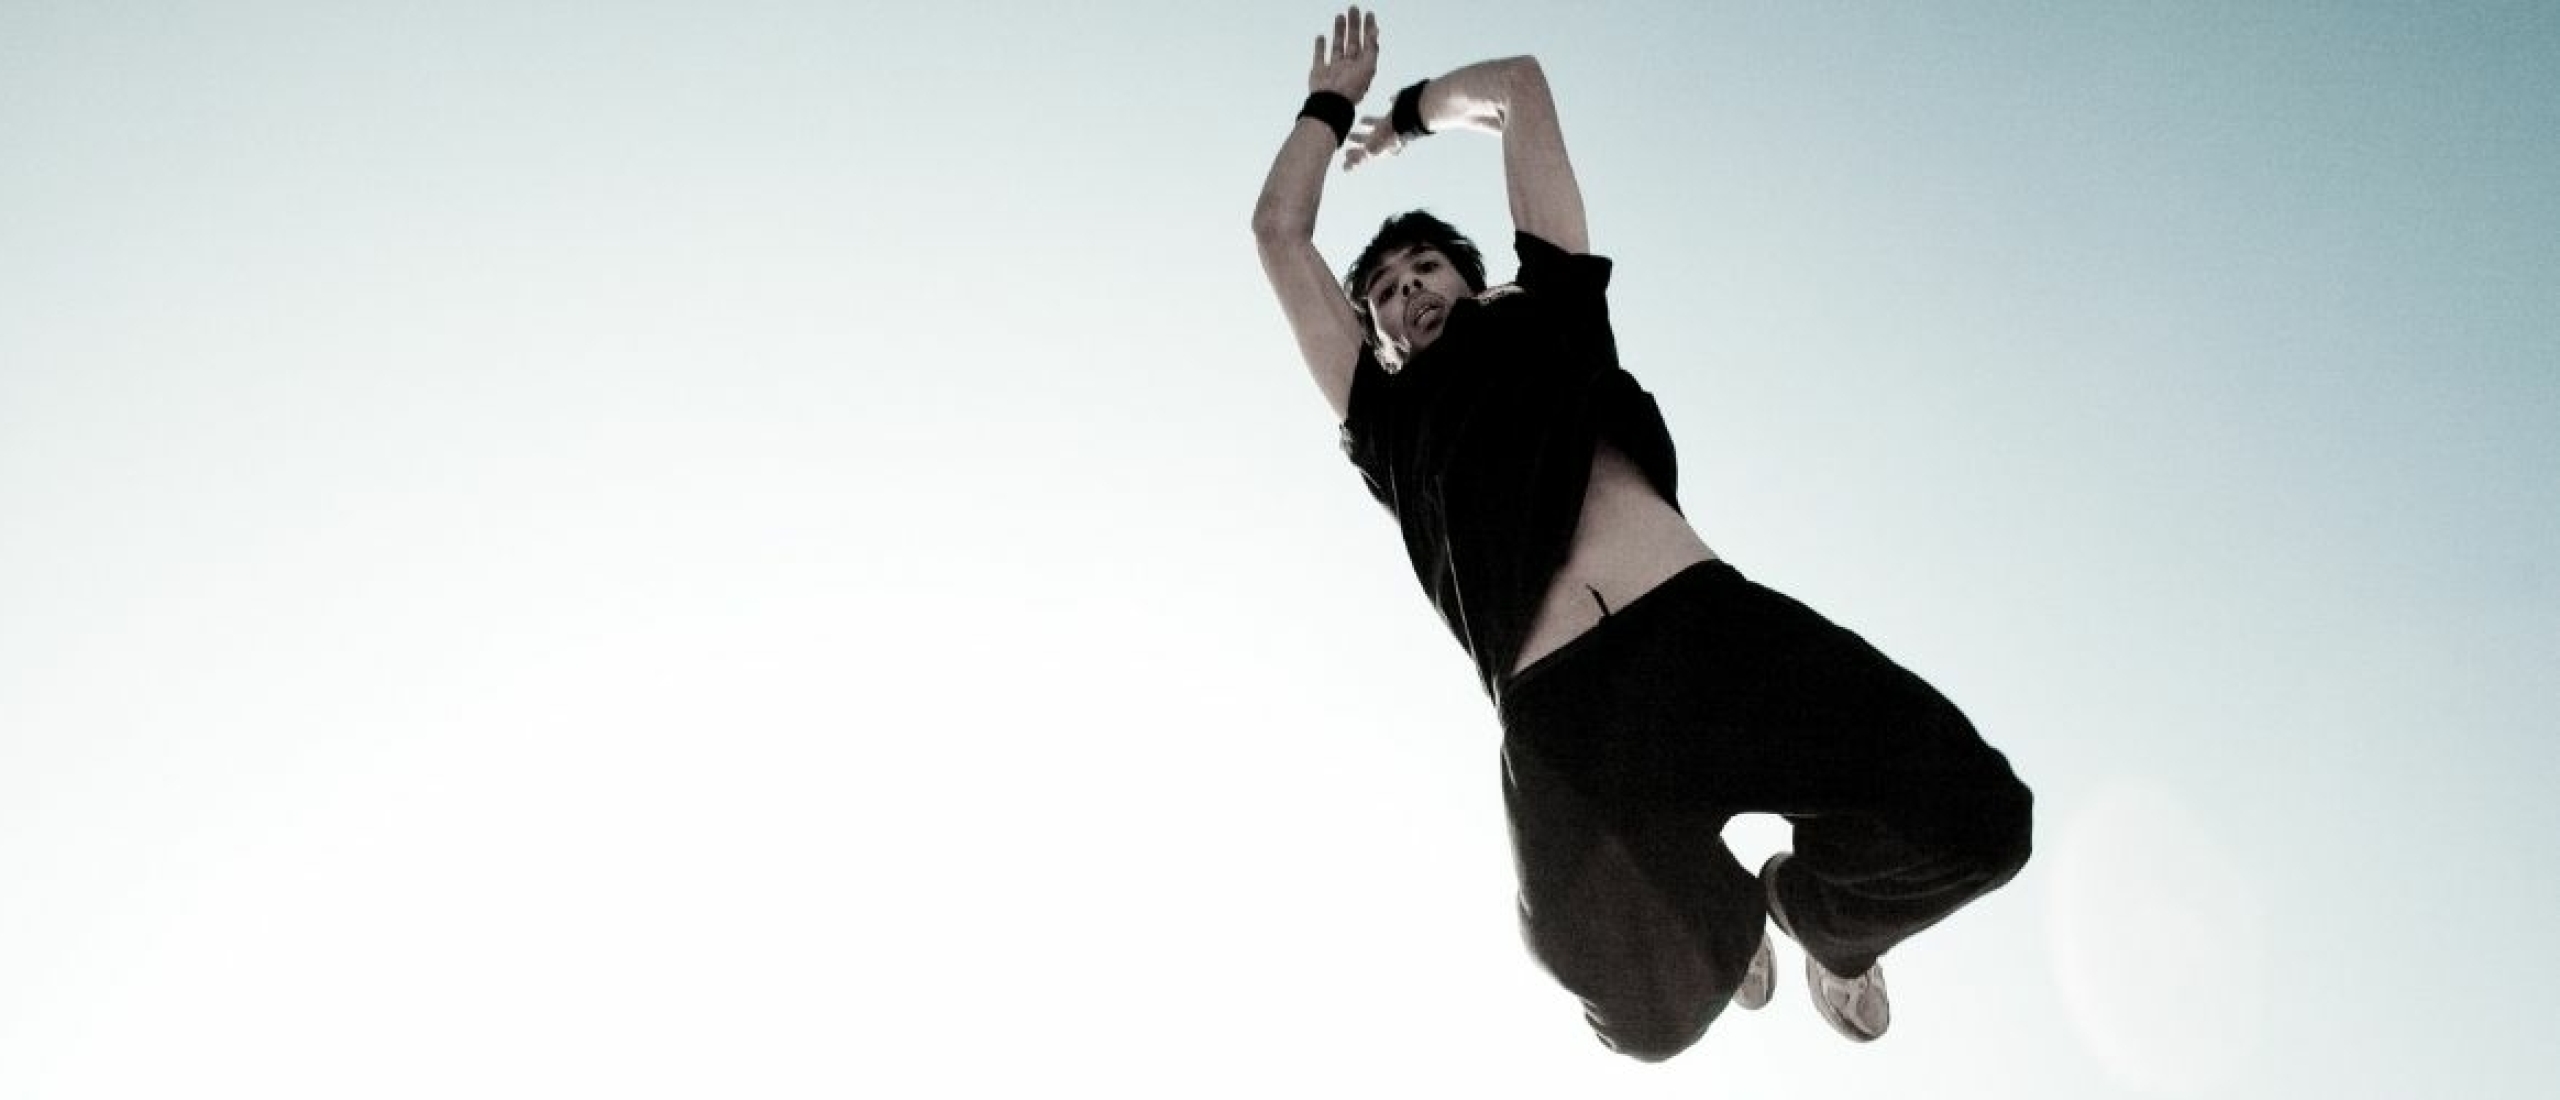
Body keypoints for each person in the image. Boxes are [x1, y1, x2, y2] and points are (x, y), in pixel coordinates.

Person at [1250, 7, 2035, 1064]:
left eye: (1425, 267)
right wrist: (1326, 106)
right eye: (1386, 293)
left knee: (1981, 820)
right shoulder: (1384, 421)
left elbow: (1521, 87)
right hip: (1564, 722)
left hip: (1705, 635)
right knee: (1643, 1020)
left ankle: (1816, 917)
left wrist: (1406, 113)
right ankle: (1721, 921)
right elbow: (1278, 234)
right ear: (1377, 332)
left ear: (1470, 278)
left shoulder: (1551, 309)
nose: (1409, 291)